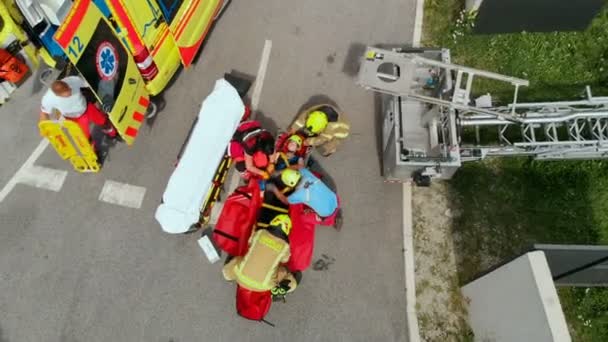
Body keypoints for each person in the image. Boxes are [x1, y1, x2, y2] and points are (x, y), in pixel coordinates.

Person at [223, 214, 299, 296]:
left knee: (236, 261)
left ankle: (228, 276)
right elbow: (285, 260)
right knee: (285, 273)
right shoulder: (285, 246)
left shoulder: (260, 233)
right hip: (264, 286)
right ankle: (277, 292)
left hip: (240, 276)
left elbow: (250, 242)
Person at [39, 77, 116, 143]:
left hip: (86, 107)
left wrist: (96, 100)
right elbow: (44, 113)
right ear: (57, 95)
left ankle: (112, 133)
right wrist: (45, 129)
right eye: (67, 94)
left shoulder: (73, 80)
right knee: (84, 138)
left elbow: (89, 86)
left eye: (69, 89)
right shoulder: (48, 99)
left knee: (103, 121)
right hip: (74, 118)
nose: (70, 92)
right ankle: (92, 154)